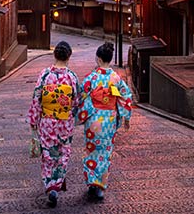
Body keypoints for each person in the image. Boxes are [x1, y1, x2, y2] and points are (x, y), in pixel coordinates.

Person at [76, 42, 133, 202]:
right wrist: (126, 117)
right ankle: (100, 186)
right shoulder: (115, 78)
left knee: (92, 150)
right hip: (109, 119)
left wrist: (80, 113)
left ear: (98, 59)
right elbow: (125, 97)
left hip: (94, 118)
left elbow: (81, 95)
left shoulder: (91, 78)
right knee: (105, 153)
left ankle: (92, 183)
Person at [27, 41, 79, 208]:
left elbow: (37, 99)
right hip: (65, 122)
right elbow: (76, 102)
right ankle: (58, 182)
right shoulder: (72, 77)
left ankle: (51, 186)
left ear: (54, 55)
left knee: (48, 154)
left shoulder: (44, 75)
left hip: (48, 121)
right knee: (63, 153)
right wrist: (72, 117)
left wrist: (34, 121)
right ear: (69, 56)